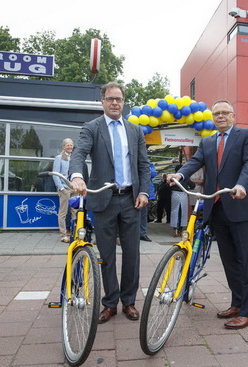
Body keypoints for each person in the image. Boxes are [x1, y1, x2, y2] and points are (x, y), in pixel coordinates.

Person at [167, 99, 248, 330]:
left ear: (233, 116)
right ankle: (237, 303)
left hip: (240, 206)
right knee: (229, 261)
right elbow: (195, 162)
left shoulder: (246, 135)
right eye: (216, 113)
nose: (220, 117)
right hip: (216, 209)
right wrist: (180, 175)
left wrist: (241, 185)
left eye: (224, 113)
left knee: (247, 262)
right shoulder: (207, 142)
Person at [69, 82, 150, 323]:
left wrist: (144, 192)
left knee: (132, 254)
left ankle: (129, 302)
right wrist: (76, 176)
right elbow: (79, 153)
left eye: (119, 99)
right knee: (106, 255)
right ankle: (110, 302)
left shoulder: (135, 130)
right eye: (110, 99)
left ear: (124, 102)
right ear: (102, 101)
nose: (115, 103)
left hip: (131, 200)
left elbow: (144, 165)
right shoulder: (91, 127)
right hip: (103, 199)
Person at [53, 138, 76, 243]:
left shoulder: (75, 157)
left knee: (75, 212)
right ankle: (63, 235)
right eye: (67, 145)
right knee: (63, 212)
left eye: (71, 145)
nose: (70, 147)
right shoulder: (59, 158)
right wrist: (61, 187)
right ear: (63, 147)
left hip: (74, 188)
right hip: (64, 189)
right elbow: (55, 174)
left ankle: (75, 234)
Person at [170, 164, 192, 237]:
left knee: (174, 211)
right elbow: (193, 185)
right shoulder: (185, 178)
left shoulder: (172, 178)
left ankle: (175, 229)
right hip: (183, 194)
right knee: (183, 212)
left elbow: (167, 186)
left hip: (174, 194)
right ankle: (180, 229)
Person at [139, 162, 156, 242]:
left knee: (143, 214)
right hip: (133, 191)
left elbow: (153, 174)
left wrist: (146, 169)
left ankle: (142, 234)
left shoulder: (150, 164)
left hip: (145, 193)